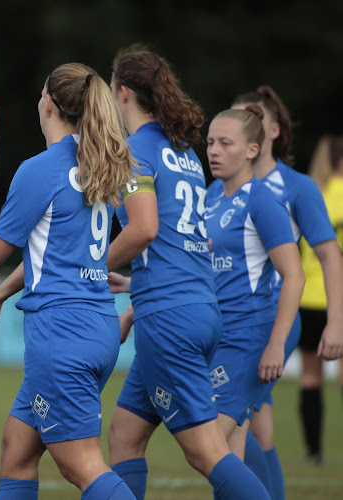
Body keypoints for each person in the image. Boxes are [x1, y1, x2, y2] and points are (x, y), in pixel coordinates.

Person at [0, 63, 137, 499]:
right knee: (17, 449)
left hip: (61, 335)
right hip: (96, 327)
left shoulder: (41, 168)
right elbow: (49, 256)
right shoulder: (97, 160)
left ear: (48, 104)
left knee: (81, 465)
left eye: (39, 95)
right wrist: (2, 292)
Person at [102, 46, 269, 500]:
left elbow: (144, 230)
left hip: (170, 318)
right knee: (124, 434)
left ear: (122, 94)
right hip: (194, 308)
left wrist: (89, 268)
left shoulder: (133, 149)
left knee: (207, 453)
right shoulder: (183, 153)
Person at [232, 86, 343, 497]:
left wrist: (336, 322)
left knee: (222, 424)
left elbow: (331, 257)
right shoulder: (222, 187)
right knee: (256, 431)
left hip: (273, 319)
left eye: (252, 118)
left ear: (273, 131)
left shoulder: (297, 187)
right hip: (233, 319)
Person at [204, 105, 304, 496]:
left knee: (208, 443)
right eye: (210, 141)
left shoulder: (262, 201)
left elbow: (294, 276)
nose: (213, 150)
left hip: (246, 340)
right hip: (214, 338)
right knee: (226, 453)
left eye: (225, 143)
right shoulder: (211, 196)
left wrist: (276, 344)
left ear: (252, 149)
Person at [297, 134, 343, 464]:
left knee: (311, 377)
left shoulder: (312, 195)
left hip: (309, 299)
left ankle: (314, 454)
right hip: (338, 297)